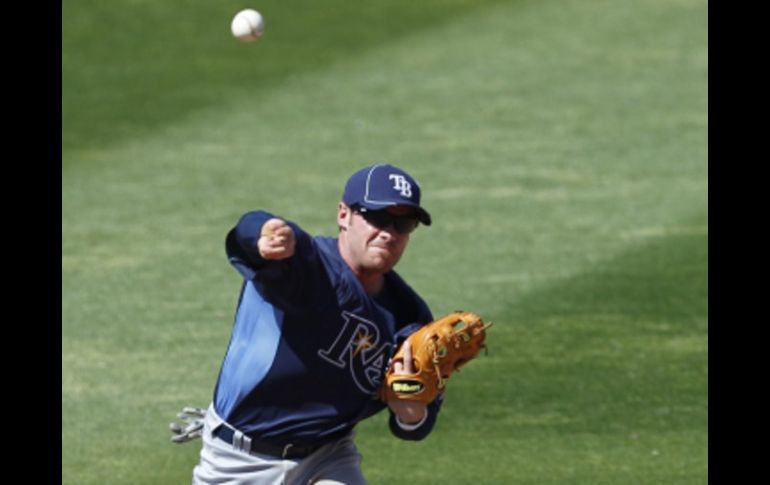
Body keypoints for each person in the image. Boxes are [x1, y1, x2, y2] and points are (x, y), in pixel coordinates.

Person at [192, 163, 442, 484]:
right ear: (343, 215)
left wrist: (412, 412)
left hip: (328, 457)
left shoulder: (410, 317)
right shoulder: (305, 265)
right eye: (378, 217)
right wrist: (261, 235)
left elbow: (418, 424)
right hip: (239, 459)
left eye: (403, 223)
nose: (389, 233)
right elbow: (255, 226)